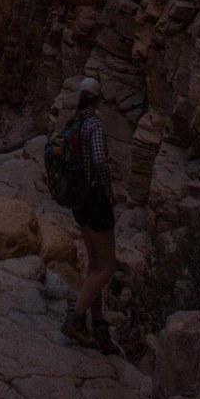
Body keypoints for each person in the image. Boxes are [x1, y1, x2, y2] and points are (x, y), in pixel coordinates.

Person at [60, 76, 118, 353]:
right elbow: (99, 161)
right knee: (107, 266)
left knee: (94, 264)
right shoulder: (93, 124)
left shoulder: (73, 122)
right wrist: (110, 190)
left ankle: (99, 325)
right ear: (97, 99)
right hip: (95, 198)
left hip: (78, 200)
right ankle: (76, 317)